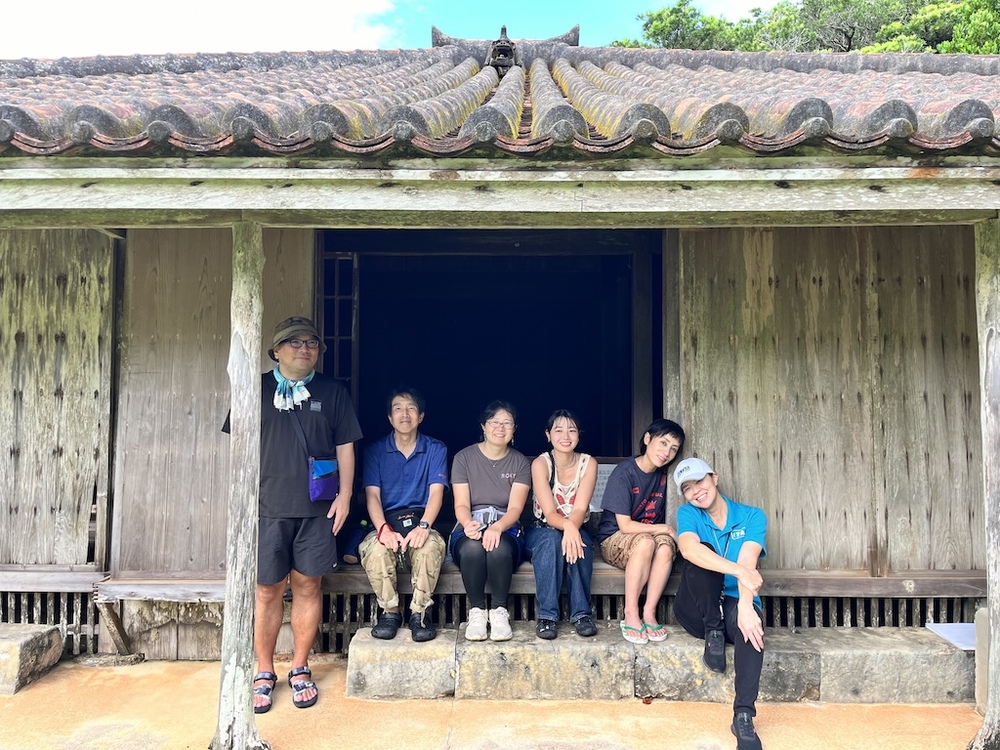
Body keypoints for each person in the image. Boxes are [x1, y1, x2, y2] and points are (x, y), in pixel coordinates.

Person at [224, 316, 362, 714]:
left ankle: (300, 667)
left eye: (312, 343)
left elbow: (346, 446)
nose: (305, 349)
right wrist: (241, 500)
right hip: (266, 508)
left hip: (317, 509)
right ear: (276, 351)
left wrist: (345, 497)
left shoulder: (333, 391)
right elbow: (239, 447)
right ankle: (264, 670)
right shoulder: (255, 388)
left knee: (308, 586)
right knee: (267, 590)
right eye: (295, 342)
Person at [673, 457, 767, 750]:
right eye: (687, 488)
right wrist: (738, 571)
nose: (696, 491)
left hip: (736, 599)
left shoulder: (752, 516)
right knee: (701, 553)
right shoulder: (688, 514)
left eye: (699, 482)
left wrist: (746, 607)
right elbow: (688, 549)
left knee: (752, 630)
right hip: (697, 609)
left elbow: (748, 561)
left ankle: (743, 715)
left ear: (714, 478)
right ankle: (712, 629)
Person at [358, 387, 448, 642]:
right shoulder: (375, 451)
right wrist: (383, 529)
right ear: (390, 418)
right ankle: (390, 612)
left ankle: (420, 613)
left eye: (411, 409)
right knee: (376, 551)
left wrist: (424, 526)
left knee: (428, 548)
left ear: (421, 416)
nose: (405, 414)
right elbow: (372, 496)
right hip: (386, 521)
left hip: (421, 519)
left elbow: (437, 493)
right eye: (398, 409)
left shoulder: (435, 448)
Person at [596, 418, 685, 644]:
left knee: (665, 547)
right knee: (647, 541)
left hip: (650, 538)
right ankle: (631, 613)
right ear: (647, 439)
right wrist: (665, 528)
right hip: (614, 539)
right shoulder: (624, 473)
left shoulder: (666, 474)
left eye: (673, 449)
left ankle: (649, 612)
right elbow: (625, 526)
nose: (667, 452)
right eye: (663, 443)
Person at [450, 400, 531, 642]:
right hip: (470, 525)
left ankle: (498, 611)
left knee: (498, 547)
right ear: (483, 426)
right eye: (494, 422)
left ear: (514, 429)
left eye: (507, 423)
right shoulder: (464, 458)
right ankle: (476, 611)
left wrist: (497, 527)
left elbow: (515, 508)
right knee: (472, 548)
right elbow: (461, 504)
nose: (500, 428)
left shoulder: (520, 462)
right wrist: (468, 524)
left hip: (506, 527)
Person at [526, 409, 599, 639]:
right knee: (551, 541)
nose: (565, 436)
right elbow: (549, 513)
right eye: (558, 430)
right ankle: (547, 616)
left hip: (576, 525)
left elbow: (580, 508)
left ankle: (581, 614)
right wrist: (568, 528)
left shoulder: (588, 463)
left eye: (572, 430)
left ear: (579, 435)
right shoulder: (541, 463)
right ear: (548, 435)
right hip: (543, 528)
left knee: (579, 544)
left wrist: (571, 529)